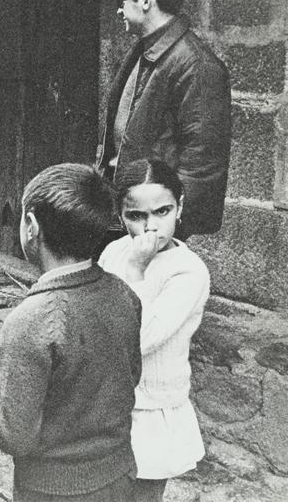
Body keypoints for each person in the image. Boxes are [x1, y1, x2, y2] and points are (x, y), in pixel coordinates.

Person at [0, 163, 142, 502]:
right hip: (120, 477)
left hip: (55, 490)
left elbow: (15, 435)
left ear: (31, 227)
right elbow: (132, 376)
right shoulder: (124, 294)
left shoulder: (30, 320)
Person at [96, 0, 231, 244]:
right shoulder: (143, 51)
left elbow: (202, 164)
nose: (118, 10)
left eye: (123, 0)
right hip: (130, 210)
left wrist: (169, 228)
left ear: (145, 0)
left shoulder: (197, 65)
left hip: (152, 221)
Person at [98, 159, 209, 502]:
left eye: (162, 212)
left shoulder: (188, 272)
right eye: (136, 216)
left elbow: (139, 339)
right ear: (120, 216)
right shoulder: (114, 252)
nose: (151, 229)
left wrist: (136, 270)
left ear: (180, 207)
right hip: (106, 402)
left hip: (151, 408)